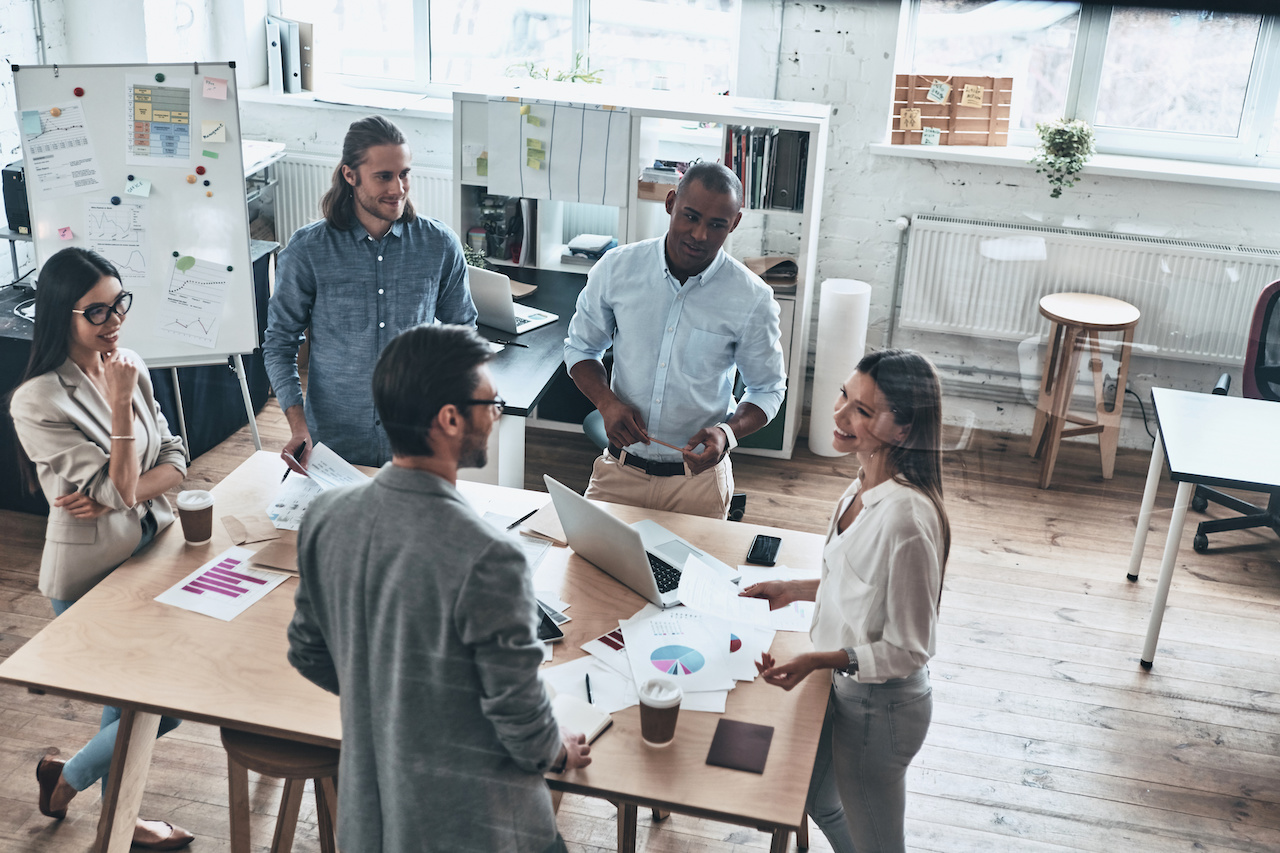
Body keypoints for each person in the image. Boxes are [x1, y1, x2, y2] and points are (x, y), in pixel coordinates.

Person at [286, 323, 591, 853]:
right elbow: (520, 721)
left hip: (370, 822)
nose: (496, 415)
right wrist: (558, 751)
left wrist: (389, 699)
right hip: (478, 827)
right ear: (450, 419)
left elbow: (310, 652)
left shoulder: (326, 516)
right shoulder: (492, 557)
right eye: (491, 403)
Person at [8, 248, 194, 850]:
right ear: (63, 315)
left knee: (131, 711)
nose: (114, 320)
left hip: (150, 554)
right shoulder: (37, 399)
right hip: (88, 575)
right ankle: (94, 798)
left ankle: (83, 790)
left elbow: (176, 458)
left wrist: (128, 489)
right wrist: (119, 410)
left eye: (119, 303)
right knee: (157, 711)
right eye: (97, 311)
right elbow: (118, 487)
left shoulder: (130, 361)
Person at [743, 349, 950, 853]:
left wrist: (818, 659)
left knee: (877, 842)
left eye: (863, 410)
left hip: (882, 709)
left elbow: (909, 648)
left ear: (902, 430)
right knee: (819, 799)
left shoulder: (907, 519)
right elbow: (862, 585)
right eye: (844, 395)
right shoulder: (861, 487)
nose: (839, 415)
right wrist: (794, 589)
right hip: (845, 688)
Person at [563, 161, 786, 519]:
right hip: (619, 472)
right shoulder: (616, 268)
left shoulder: (752, 298)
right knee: (583, 573)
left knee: (690, 577)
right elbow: (581, 348)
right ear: (670, 204)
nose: (699, 235)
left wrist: (727, 433)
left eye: (717, 225)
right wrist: (606, 402)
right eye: (690, 217)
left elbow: (768, 389)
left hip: (697, 484)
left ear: (735, 223)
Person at [264, 115, 477, 470]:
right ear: (350, 175)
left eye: (404, 173)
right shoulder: (308, 250)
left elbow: (463, 333)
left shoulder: (439, 244)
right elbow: (279, 343)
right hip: (332, 446)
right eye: (383, 177)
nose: (398, 188)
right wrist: (298, 427)